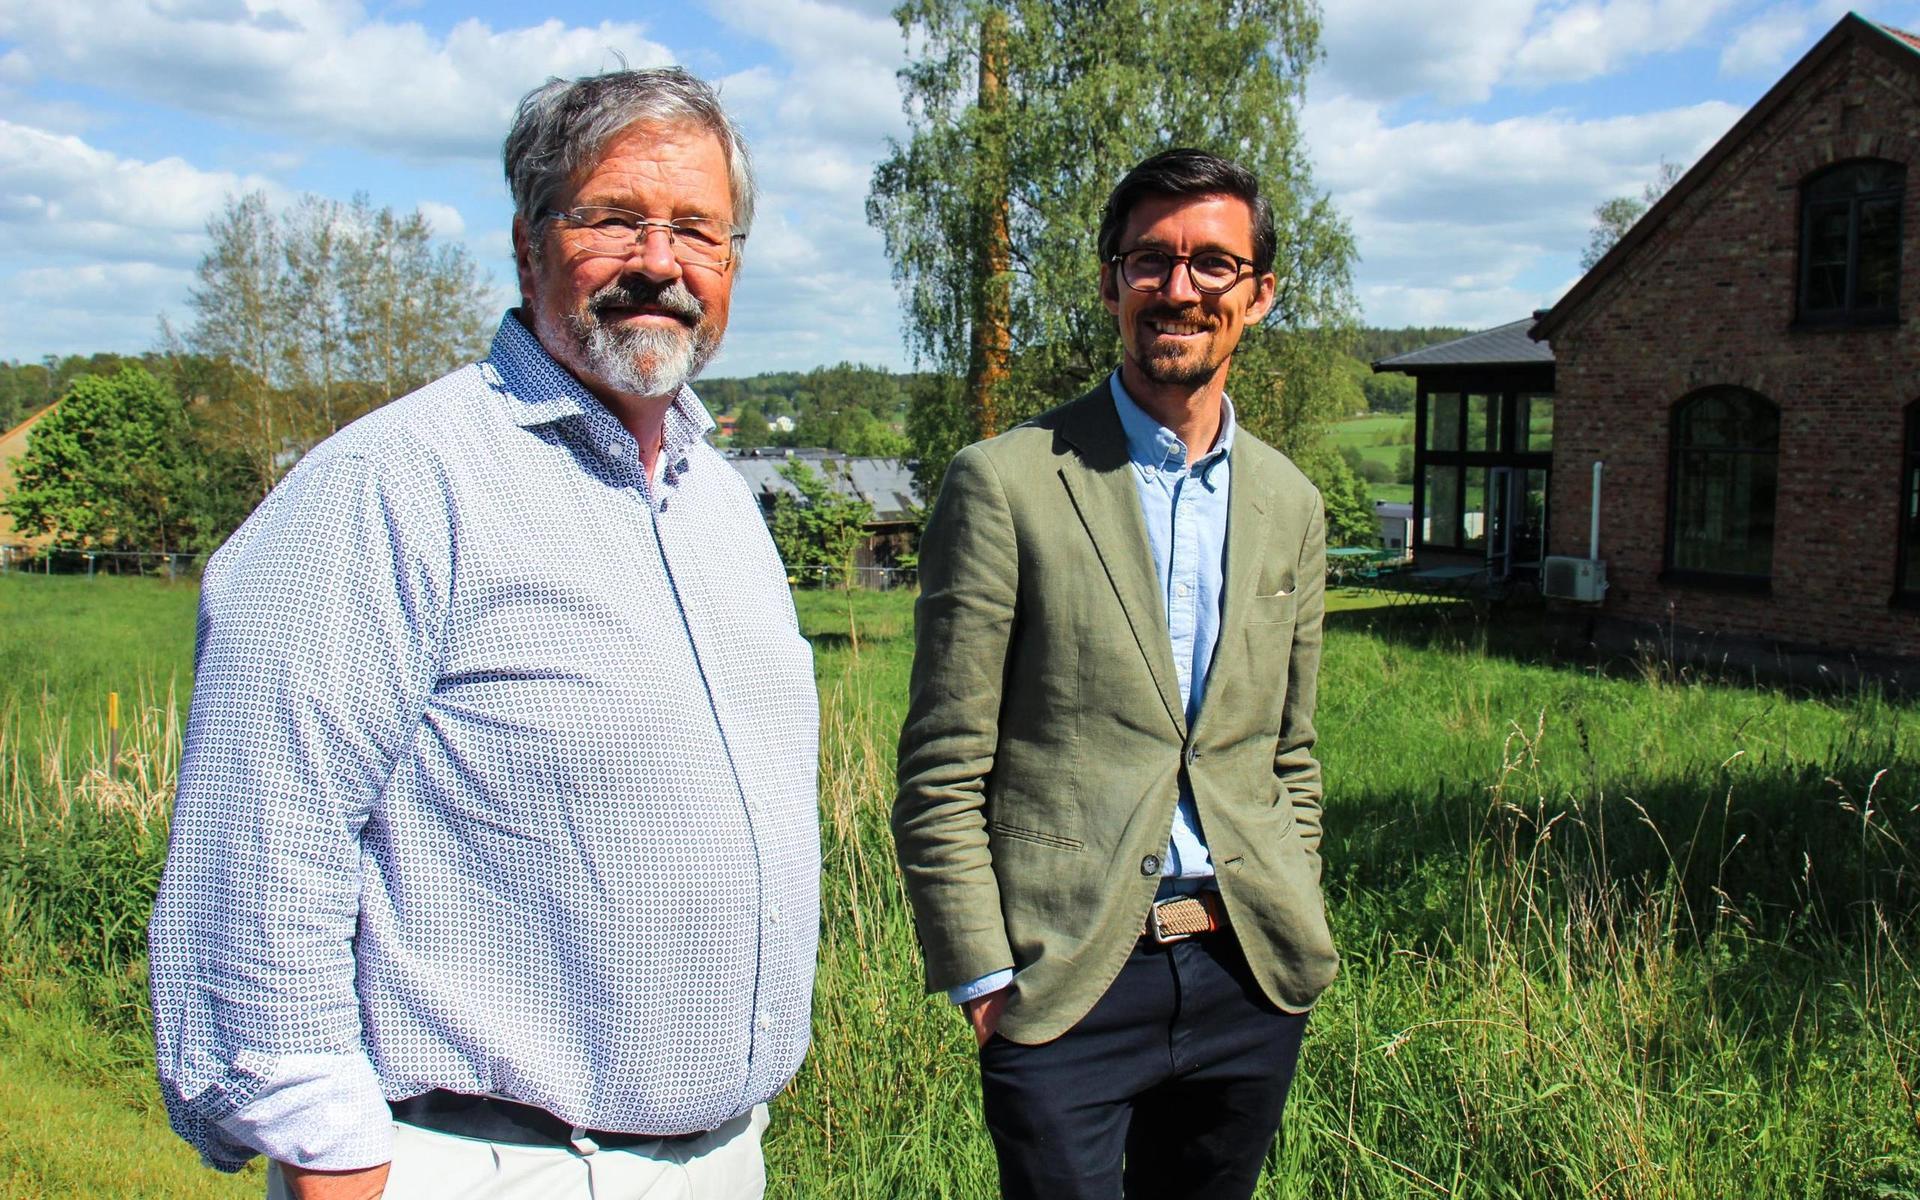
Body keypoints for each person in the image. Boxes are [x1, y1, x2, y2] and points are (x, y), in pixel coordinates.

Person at [150, 67, 819, 1200]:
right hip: (477, 1165)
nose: (660, 263)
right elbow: (261, 837)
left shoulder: (722, 504)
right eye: (613, 219)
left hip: (718, 1161)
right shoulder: (393, 485)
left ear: (732, 262)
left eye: (698, 230)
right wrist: (326, 1146)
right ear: (527, 244)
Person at [892, 148, 1338, 1200]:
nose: (1178, 289)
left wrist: (1292, 898)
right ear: (1110, 282)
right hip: (1066, 982)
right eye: (1151, 260)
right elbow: (944, 762)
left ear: (1259, 295)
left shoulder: (1291, 503)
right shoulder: (1006, 482)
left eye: (1213, 265)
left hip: (1248, 973)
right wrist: (984, 975)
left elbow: (1292, 754)